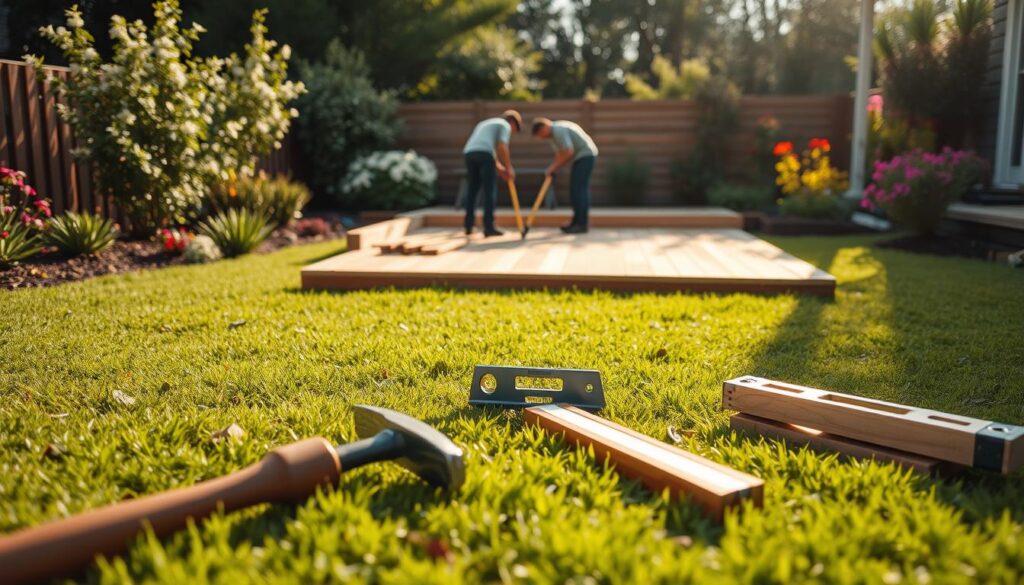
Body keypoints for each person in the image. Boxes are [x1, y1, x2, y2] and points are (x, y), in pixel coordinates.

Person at [531, 117, 598, 233]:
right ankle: (576, 222)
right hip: (581, 157)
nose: (542, 138)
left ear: (544, 127)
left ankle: (581, 224)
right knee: (575, 190)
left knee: (579, 190)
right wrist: (553, 169)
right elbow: (560, 154)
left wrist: (553, 168)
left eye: (541, 134)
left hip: (585, 156)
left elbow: (568, 151)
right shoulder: (554, 136)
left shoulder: (558, 130)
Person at [461, 109, 522, 236]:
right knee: (490, 190)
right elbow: (502, 146)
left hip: (469, 153)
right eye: (516, 128)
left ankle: (468, 225)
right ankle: (489, 227)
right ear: (512, 122)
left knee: (473, 189)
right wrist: (509, 168)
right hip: (484, 154)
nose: (513, 132)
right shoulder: (504, 125)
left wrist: (502, 170)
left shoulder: (484, 123)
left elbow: (489, 153)